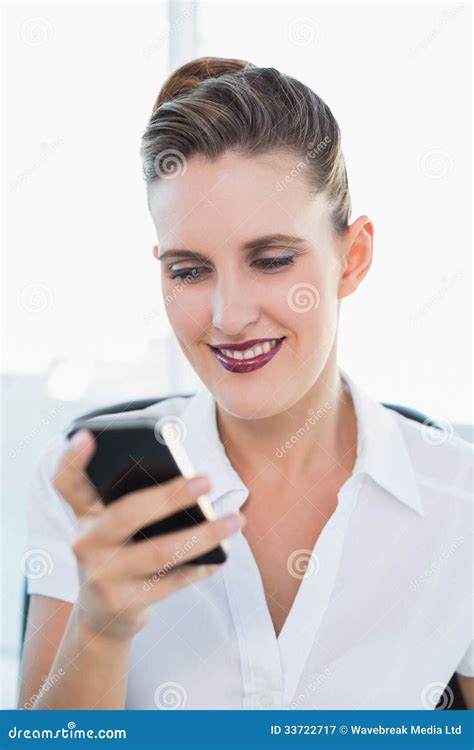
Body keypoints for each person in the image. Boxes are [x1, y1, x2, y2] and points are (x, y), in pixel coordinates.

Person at [18, 57, 473, 710]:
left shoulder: (461, 502)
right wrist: (101, 625)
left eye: (271, 260)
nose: (229, 316)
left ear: (354, 257)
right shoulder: (90, 488)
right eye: (189, 270)